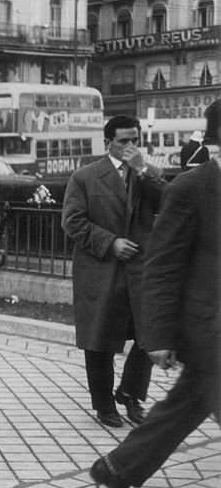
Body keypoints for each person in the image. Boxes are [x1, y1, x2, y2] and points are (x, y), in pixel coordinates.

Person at [89, 102, 220, 488]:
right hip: (209, 327)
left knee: (184, 407)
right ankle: (118, 469)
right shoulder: (192, 188)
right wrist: (159, 336)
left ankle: (117, 468)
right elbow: (162, 267)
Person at [62, 115, 167, 428]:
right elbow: (73, 222)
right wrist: (110, 243)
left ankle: (131, 393)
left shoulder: (146, 174)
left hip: (139, 269)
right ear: (108, 142)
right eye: (123, 141)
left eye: (135, 139)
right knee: (101, 340)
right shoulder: (86, 177)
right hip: (101, 269)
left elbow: (170, 200)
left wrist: (143, 169)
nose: (130, 146)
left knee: (149, 334)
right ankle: (104, 404)